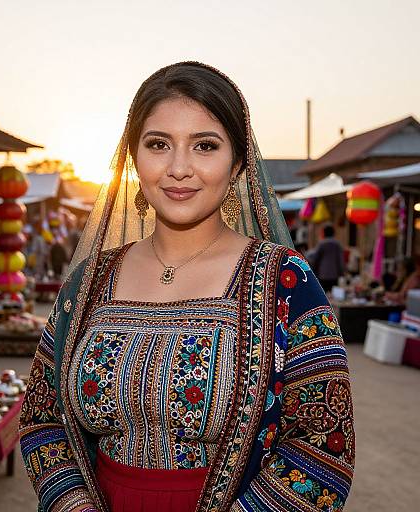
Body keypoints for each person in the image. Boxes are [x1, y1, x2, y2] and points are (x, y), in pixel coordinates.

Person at [19, 63, 354, 512]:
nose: (179, 168)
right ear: (134, 158)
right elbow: (42, 418)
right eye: (159, 144)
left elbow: (324, 446)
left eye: (205, 146)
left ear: (237, 163)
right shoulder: (89, 283)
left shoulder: (286, 282)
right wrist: (73, 505)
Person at [309, 224, 345, 292]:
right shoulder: (337, 244)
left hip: (322, 274)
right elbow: (340, 260)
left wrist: (313, 271)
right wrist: (342, 273)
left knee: (323, 295)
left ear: (324, 233)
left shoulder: (322, 244)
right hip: (334, 275)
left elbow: (315, 259)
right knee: (333, 294)